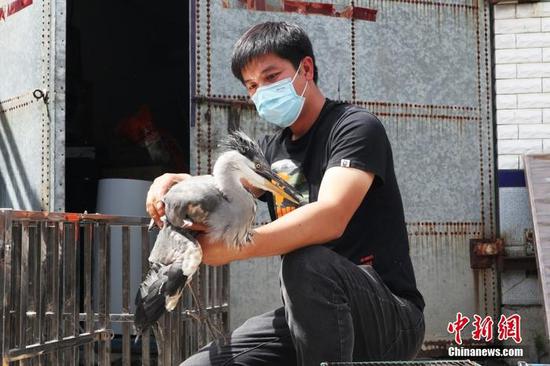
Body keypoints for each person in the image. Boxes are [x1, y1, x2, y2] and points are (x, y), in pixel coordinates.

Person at [146, 21, 425, 366]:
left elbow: (331, 217)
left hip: (388, 318)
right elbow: (227, 182)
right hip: (311, 317)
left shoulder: (354, 128)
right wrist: (177, 182)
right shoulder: (270, 151)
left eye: (271, 77)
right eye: (251, 85)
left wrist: (237, 246)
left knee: (306, 262)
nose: (261, 91)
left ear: (305, 69)